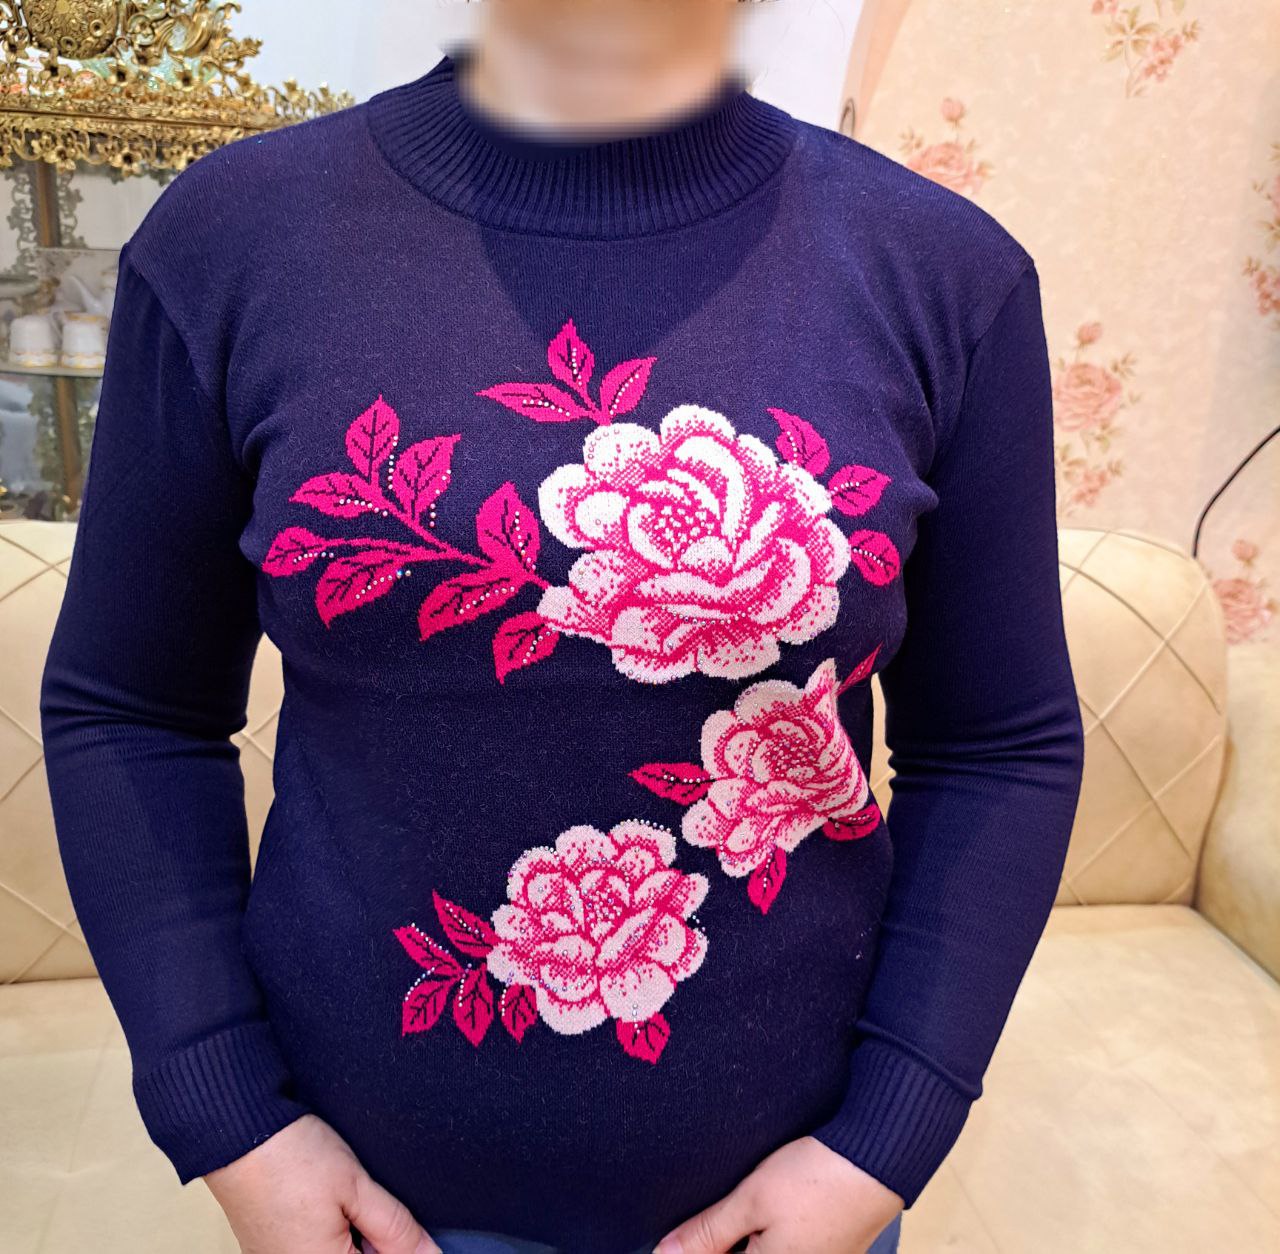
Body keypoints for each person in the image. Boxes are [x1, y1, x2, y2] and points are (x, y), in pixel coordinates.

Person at [38, 1, 1086, 1252]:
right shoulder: (232, 240)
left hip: (792, 1202)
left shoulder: (938, 273)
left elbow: (997, 745)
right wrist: (229, 1119)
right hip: (357, 1205)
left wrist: (883, 1144)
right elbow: (131, 710)